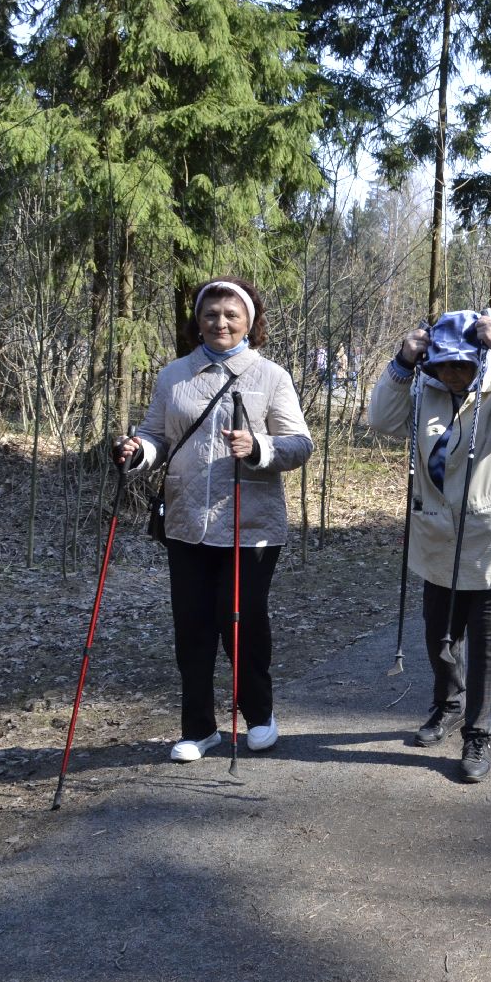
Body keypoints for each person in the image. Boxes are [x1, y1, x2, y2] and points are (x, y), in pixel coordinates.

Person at [116, 278, 313, 762]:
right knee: (193, 627)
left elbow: (299, 444)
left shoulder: (270, 376)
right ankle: (199, 728)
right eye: (210, 314)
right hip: (186, 523)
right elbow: (156, 437)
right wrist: (138, 452)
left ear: (249, 321)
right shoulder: (175, 375)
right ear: (197, 321)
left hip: (251, 528)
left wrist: (258, 448)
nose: (220, 322)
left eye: (231, 314)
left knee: (242, 624)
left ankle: (259, 715)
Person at [367, 310, 491, 783]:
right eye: (443, 364)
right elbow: (380, 419)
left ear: (478, 360)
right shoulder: (422, 390)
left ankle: (479, 733)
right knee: (440, 640)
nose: (453, 374)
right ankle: (448, 706)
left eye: (462, 365)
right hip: (438, 540)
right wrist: (401, 363)